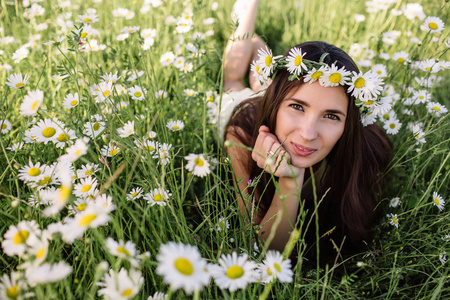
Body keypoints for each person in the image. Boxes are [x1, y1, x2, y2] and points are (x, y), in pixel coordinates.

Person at [221, 0, 393, 260]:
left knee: (264, 81)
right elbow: (262, 250)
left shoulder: (368, 149)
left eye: (332, 116)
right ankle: (247, 15)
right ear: (276, 105)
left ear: (349, 124)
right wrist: (290, 182)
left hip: (276, 96)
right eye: (297, 108)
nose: (308, 133)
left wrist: (293, 174)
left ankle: (260, 51)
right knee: (233, 81)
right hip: (253, 110)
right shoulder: (243, 135)